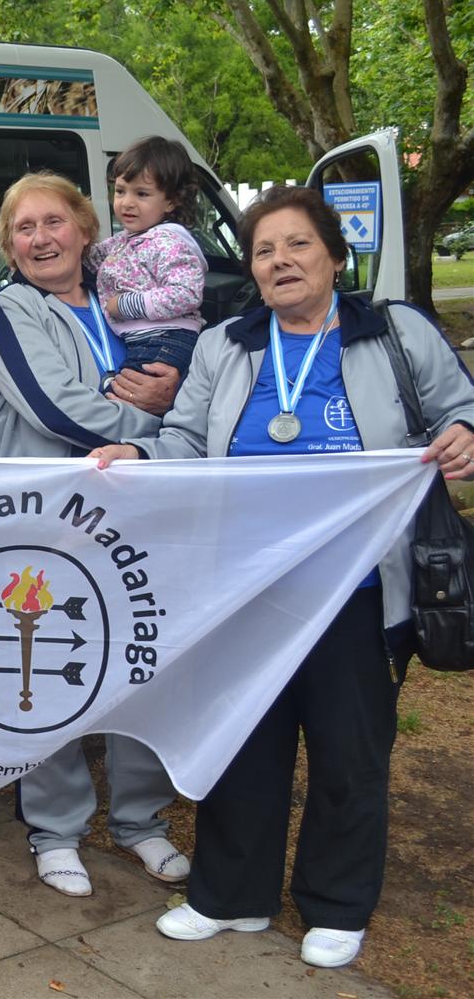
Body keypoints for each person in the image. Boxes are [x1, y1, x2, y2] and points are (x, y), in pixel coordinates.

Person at [88, 185, 474, 969]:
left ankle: (336, 904)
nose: (279, 261)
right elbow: (187, 441)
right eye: (264, 250)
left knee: (348, 751)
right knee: (243, 745)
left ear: (335, 256)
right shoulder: (227, 344)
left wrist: (464, 432)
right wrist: (138, 455)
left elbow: (459, 407)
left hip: (359, 592)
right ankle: (231, 896)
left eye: (298, 245)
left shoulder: (395, 332)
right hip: (248, 589)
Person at [0, 172, 190, 899]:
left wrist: (171, 405)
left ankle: (139, 821)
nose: (40, 238)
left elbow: (190, 375)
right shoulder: (10, 307)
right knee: (45, 667)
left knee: (141, 664)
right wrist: (160, 430)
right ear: (9, 244)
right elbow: (52, 407)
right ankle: (56, 827)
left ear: (85, 229)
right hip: (47, 524)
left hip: (135, 519)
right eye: (24, 229)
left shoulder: (121, 303)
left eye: (53, 223)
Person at [90, 136, 207, 375]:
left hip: (166, 338)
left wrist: (124, 305)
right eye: (120, 191)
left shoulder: (168, 241)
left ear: (171, 201)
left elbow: (186, 293)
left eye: (142, 194)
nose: (127, 203)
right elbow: (91, 257)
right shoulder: (127, 239)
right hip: (145, 338)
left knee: (126, 396)